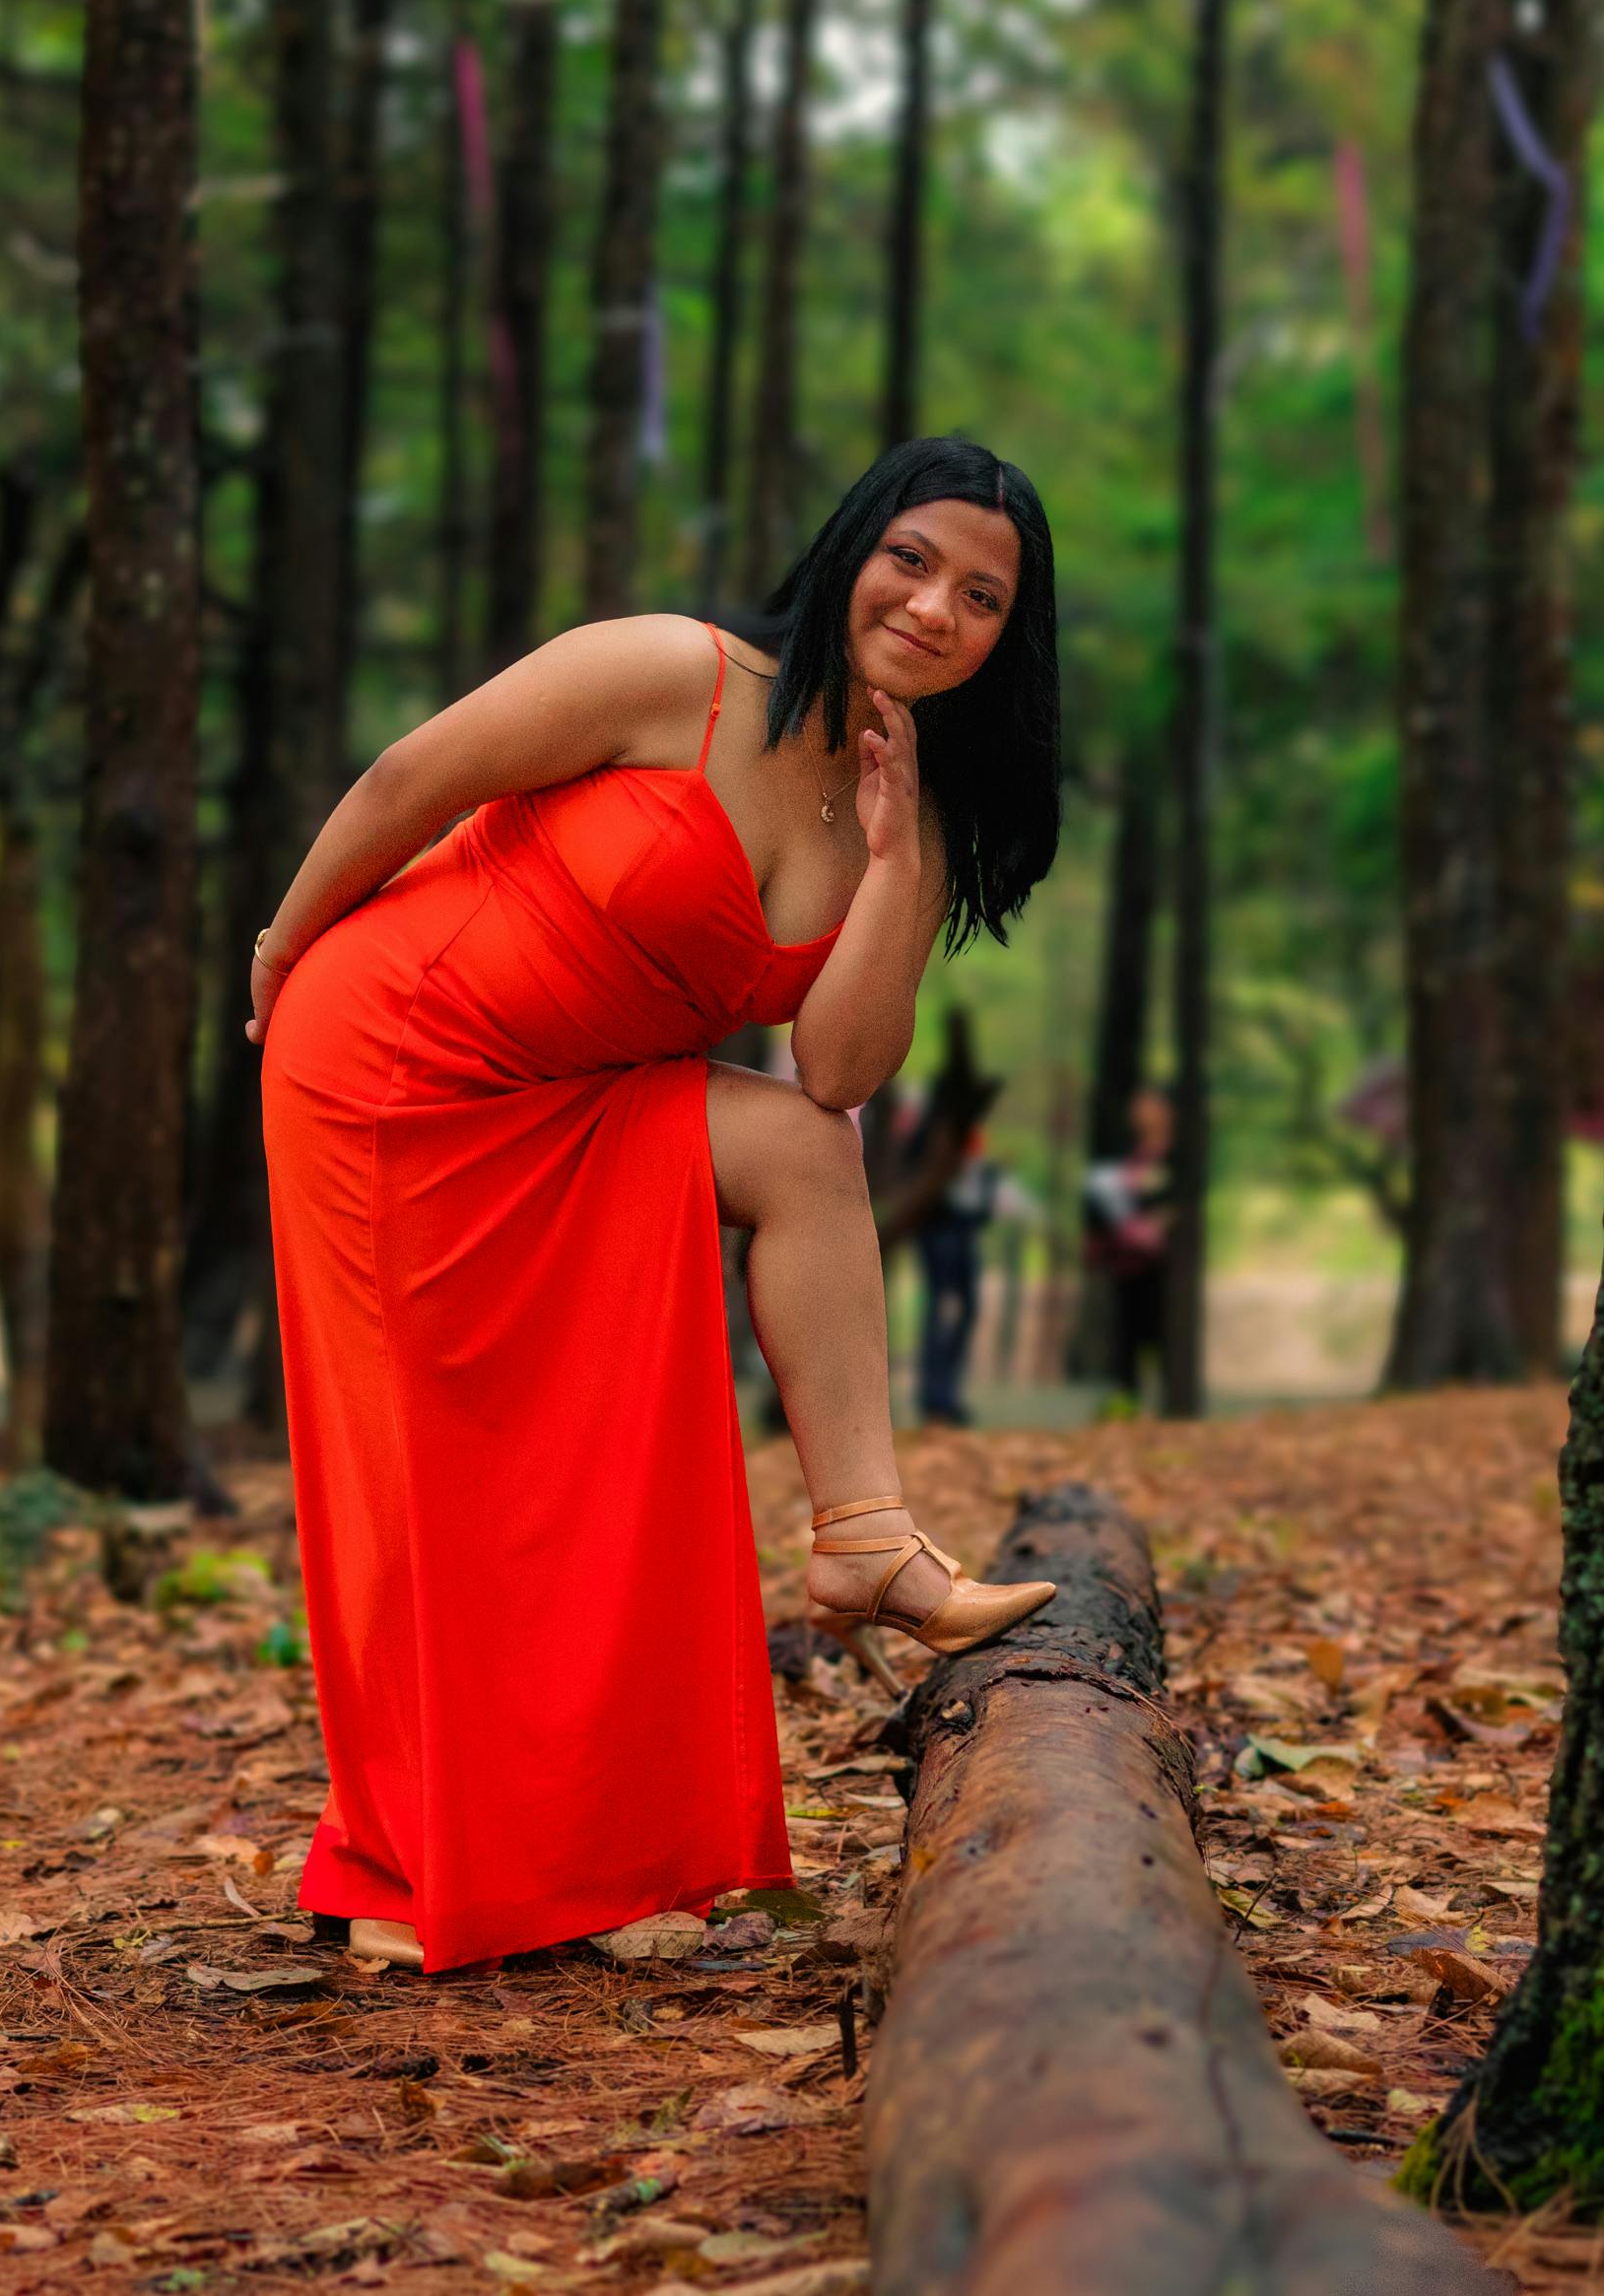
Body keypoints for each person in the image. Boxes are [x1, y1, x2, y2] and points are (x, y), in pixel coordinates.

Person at [247, 438, 1063, 1973]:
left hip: (565, 1109)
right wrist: (284, 948)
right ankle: (403, 1866)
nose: (934, 606)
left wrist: (892, 862)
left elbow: (835, 1074)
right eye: (911, 558)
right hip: (385, 1059)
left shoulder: (903, 817)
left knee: (802, 1163)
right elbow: (411, 777)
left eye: (981, 596)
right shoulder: (672, 673)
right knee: (431, 1483)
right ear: (848, 551)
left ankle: (866, 1540)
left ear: (1003, 643)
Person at [1083, 1084, 1174, 1401]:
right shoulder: (1127, 1155)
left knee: (1161, 1330)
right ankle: (1128, 1401)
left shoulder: (1175, 1157)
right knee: (1126, 1333)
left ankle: (1169, 1403)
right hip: (1126, 1259)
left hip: (1163, 1264)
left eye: (1148, 1104)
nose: (1140, 1111)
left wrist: (1159, 1224)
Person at [914, 1122, 998, 1428]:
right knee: (941, 1309)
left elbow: (981, 1206)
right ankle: (936, 1397)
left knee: (962, 1309)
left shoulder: (973, 1137)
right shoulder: (934, 1132)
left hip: (964, 1231)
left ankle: (945, 1395)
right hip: (941, 1230)